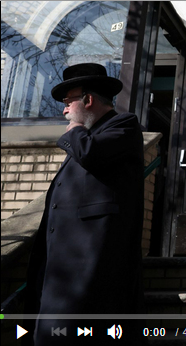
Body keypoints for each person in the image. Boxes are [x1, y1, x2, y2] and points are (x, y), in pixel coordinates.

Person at [23, 63, 148, 345]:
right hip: (61, 275)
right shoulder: (90, 136)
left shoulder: (123, 126)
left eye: (68, 102)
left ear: (88, 100)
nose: (64, 111)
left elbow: (91, 155)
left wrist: (76, 129)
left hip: (91, 274)